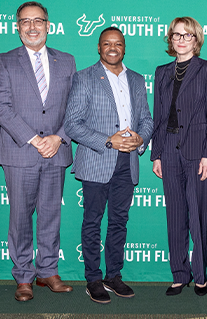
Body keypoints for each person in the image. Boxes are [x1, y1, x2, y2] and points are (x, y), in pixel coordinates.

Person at [0, 1, 76, 302]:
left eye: (37, 20)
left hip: (56, 152)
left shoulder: (66, 61)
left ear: (48, 25)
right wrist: (32, 138)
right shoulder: (4, 60)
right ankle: (23, 276)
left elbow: (75, 108)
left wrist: (59, 137)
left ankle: (48, 271)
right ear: (17, 27)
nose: (31, 27)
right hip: (19, 152)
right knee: (20, 218)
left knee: (51, 214)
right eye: (25, 21)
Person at [64, 27, 153, 304]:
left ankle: (113, 275)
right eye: (106, 43)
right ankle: (93, 278)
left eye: (118, 44)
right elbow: (72, 124)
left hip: (128, 163)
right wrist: (108, 141)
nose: (112, 48)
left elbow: (148, 120)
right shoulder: (84, 78)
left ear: (124, 48)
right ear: (99, 48)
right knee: (92, 222)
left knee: (119, 222)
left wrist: (141, 138)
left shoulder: (137, 80)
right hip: (97, 161)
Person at [150, 16, 207, 296]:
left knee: (198, 216)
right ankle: (179, 274)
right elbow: (158, 115)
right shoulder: (161, 71)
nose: (180, 39)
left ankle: (200, 275)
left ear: (196, 39)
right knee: (175, 216)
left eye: (187, 35)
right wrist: (156, 154)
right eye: (176, 35)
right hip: (168, 149)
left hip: (196, 150)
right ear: (170, 39)